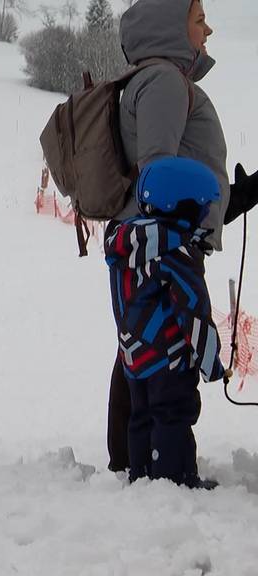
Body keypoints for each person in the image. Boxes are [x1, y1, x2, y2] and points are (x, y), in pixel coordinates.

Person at [106, 0, 258, 474]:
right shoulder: (166, 82)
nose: (208, 29)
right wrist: (184, 233)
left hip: (159, 240)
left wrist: (231, 200)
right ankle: (147, 464)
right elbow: (159, 175)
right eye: (198, 19)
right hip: (165, 246)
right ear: (170, 27)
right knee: (160, 359)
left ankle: (134, 457)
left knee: (138, 349)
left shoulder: (156, 81)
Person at [105, 156, 225, 487]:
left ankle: (142, 473)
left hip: (134, 354)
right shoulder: (178, 253)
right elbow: (194, 310)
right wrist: (211, 362)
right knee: (173, 414)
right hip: (168, 356)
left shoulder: (127, 244)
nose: (205, 216)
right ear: (182, 208)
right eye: (202, 208)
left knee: (141, 415)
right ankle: (176, 480)